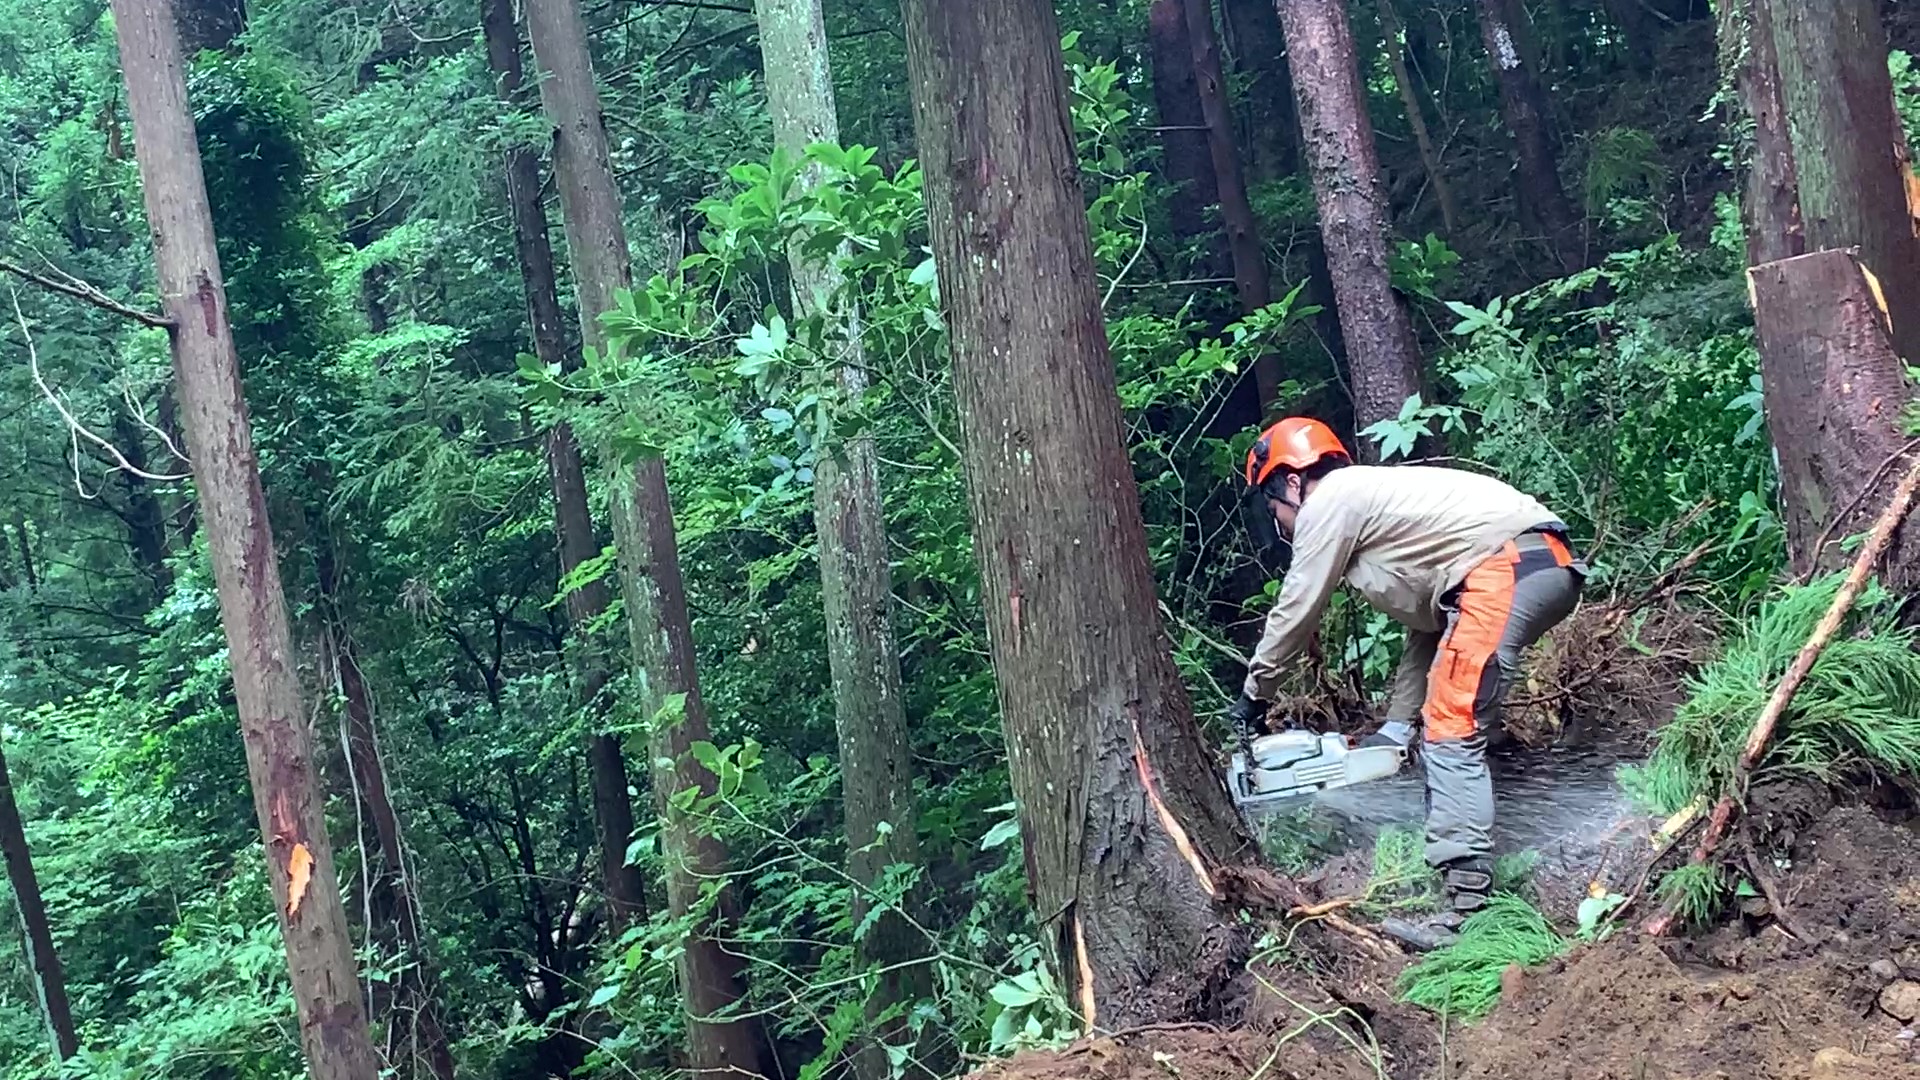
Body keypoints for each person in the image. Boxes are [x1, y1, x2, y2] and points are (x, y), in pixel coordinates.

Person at [1227, 417, 1585, 949]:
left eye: (1273, 504)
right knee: (1452, 717)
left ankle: (1468, 909)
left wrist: (1257, 694)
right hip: (1534, 564)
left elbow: (1298, 606)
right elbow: (1435, 628)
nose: (1278, 519)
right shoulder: (1383, 508)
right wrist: (1395, 729)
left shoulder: (1334, 500)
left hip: (1504, 568)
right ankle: (1496, 823)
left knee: (1453, 724)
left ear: (1294, 482)